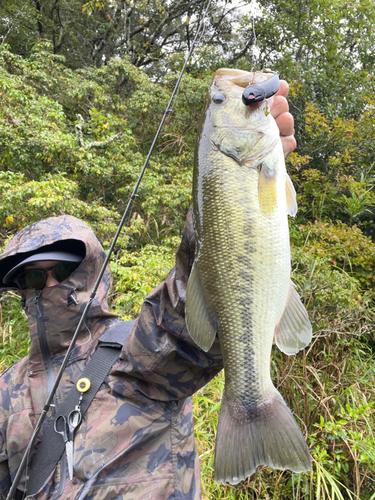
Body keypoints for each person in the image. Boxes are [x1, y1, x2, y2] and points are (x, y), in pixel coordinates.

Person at [0, 82, 296, 499]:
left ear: (88, 269)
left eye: (63, 268)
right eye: (30, 278)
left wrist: (224, 198)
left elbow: (183, 324)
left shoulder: (134, 356)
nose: (48, 285)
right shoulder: (4, 393)